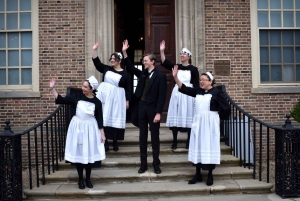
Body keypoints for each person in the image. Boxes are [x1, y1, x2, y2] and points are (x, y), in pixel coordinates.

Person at [172, 66, 230, 186]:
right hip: (198, 123)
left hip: (210, 124)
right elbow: (184, 88)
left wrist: (218, 119)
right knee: (198, 146)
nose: (201, 81)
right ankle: (197, 174)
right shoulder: (197, 91)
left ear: (210, 81)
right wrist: (175, 77)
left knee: (208, 146)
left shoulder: (217, 93)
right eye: (200, 80)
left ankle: (209, 174)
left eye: (204, 79)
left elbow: (226, 108)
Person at [49, 76, 106, 190]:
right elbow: (62, 100)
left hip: (90, 129)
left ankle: (88, 179)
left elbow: (100, 119)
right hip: (78, 128)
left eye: (85, 87)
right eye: (82, 86)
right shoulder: (77, 97)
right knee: (80, 154)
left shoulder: (97, 102)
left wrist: (102, 134)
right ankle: (80, 180)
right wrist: (52, 89)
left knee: (88, 155)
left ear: (91, 89)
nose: (82, 88)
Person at [122, 39, 167, 174]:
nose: (144, 62)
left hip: (153, 109)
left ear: (153, 61)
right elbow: (130, 67)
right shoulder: (142, 73)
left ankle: (156, 164)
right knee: (142, 137)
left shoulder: (161, 76)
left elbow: (162, 96)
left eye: (146, 60)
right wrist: (124, 52)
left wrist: (159, 112)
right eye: (143, 60)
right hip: (141, 107)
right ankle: (143, 164)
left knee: (154, 137)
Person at [92, 42, 132, 152]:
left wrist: (127, 101)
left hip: (117, 99)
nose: (112, 60)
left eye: (114, 58)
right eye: (111, 58)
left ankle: (115, 141)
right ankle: (105, 143)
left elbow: (128, 89)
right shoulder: (106, 69)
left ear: (119, 60)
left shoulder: (126, 74)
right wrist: (94, 50)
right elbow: (97, 63)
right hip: (104, 97)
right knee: (104, 118)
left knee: (114, 118)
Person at [160, 40, 199, 150]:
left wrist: (196, 96)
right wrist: (162, 51)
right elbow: (164, 62)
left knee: (189, 115)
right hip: (177, 93)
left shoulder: (194, 69)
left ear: (189, 57)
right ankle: (175, 140)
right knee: (176, 114)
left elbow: (196, 85)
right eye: (181, 53)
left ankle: (188, 141)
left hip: (188, 94)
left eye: (184, 54)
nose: (181, 55)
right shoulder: (176, 66)